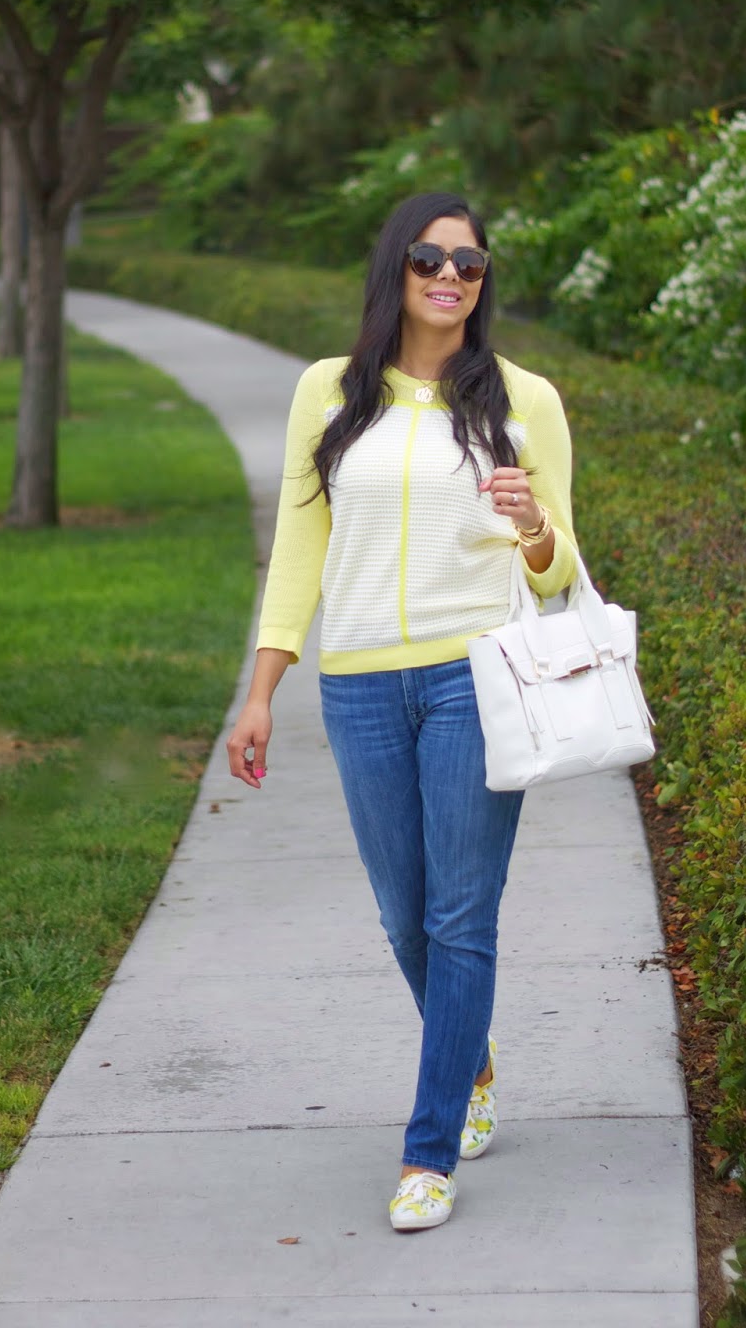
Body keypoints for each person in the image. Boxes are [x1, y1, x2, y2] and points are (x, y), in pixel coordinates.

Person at [226, 191, 578, 1232]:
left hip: (479, 678)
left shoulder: (525, 399)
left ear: (484, 282)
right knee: (400, 911)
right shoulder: (328, 394)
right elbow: (302, 549)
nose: (450, 276)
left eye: (470, 265)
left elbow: (565, 575)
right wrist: (261, 690)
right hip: (362, 685)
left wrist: (534, 529)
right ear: (398, 267)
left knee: (460, 913)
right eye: (430, 257)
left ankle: (428, 1152)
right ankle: (469, 1056)